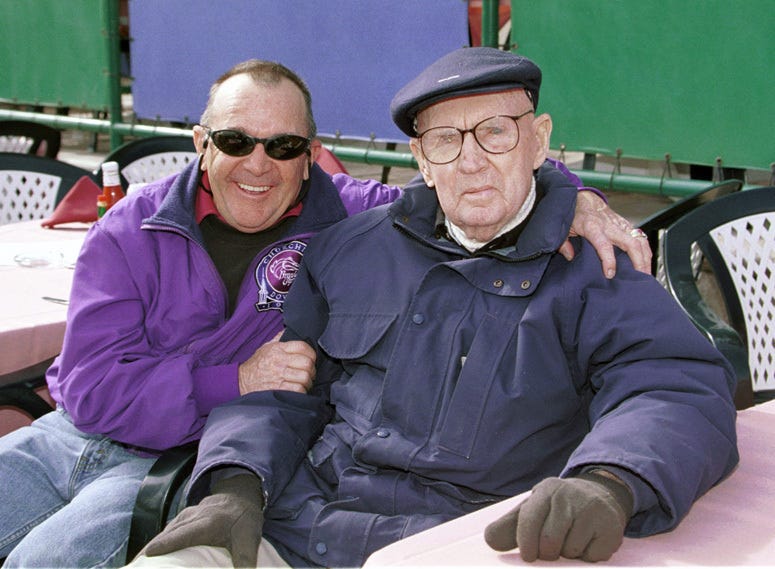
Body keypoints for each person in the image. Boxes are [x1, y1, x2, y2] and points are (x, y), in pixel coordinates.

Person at [0, 58, 643, 568]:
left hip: (189, 455)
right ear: (201, 143)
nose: (258, 165)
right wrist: (236, 379)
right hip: (67, 436)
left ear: (309, 154)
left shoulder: (349, 220)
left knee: (42, 562)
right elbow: (90, 390)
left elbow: (472, 177)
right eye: (235, 141)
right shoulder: (131, 227)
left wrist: (573, 197)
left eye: (283, 146)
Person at [130, 47, 739, 568]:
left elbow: (672, 387)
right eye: (446, 140)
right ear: (421, 160)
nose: (471, 160)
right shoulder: (351, 250)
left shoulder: (595, 271)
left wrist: (607, 482)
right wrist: (234, 486)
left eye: (495, 131)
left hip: (465, 544)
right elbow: (286, 391)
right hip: (297, 529)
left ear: (539, 141)